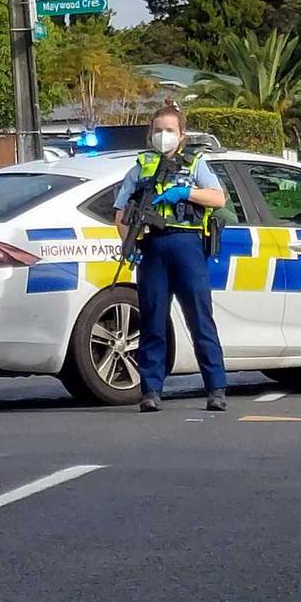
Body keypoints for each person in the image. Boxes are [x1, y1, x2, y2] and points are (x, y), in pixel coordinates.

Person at [113, 104, 229, 412]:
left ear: (181, 135)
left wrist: (184, 194)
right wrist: (130, 244)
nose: (163, 136)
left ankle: (216, 388)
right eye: (158, 130)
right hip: (152, 246)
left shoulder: (195, 164)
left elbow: (218, 197)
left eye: (169, 131)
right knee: (153, 320)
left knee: (200, 319)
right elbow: (121, 213)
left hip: (187, 244)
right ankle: (151, 390)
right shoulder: (140, 168)